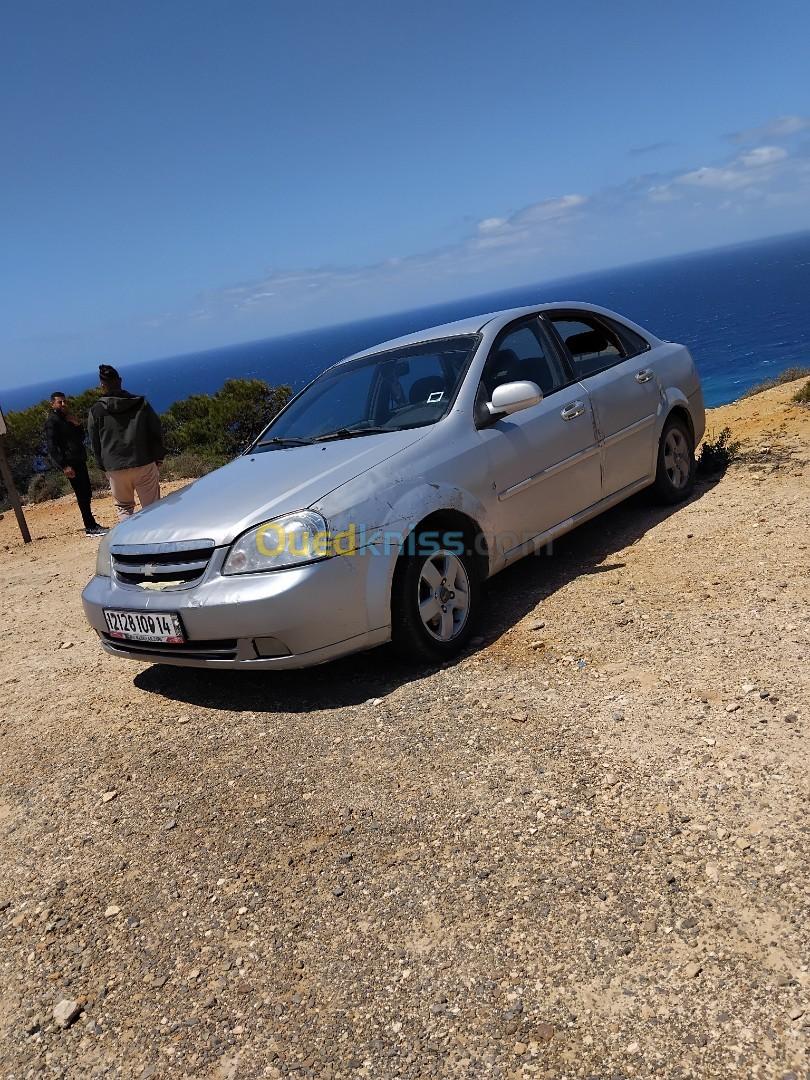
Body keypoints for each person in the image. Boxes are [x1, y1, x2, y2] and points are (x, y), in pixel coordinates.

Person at [87, 364, 166, 521]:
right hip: (143, 461)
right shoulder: (140, 404)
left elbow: (95, 442)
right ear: (120, 380)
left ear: (102, 385)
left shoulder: (96, 410)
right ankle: (154, 540)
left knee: (124, 507)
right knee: (153, 508)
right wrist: (158, 456)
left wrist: (103, 465)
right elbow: (155, 430)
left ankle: (130, 541)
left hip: (114, 467)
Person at [44, 393, 108, 536]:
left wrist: (78, 425)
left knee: (86, 492)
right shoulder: (52, 422)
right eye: (60, 402)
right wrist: (64, 466)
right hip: (70, 464)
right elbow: (52, 447)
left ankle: (91, 524)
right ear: (52, 404)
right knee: (82, 494)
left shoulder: (67, 419)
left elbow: (80, 438)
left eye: (65, 401)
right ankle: (90, 527)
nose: (63, 404)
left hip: (79, 460)